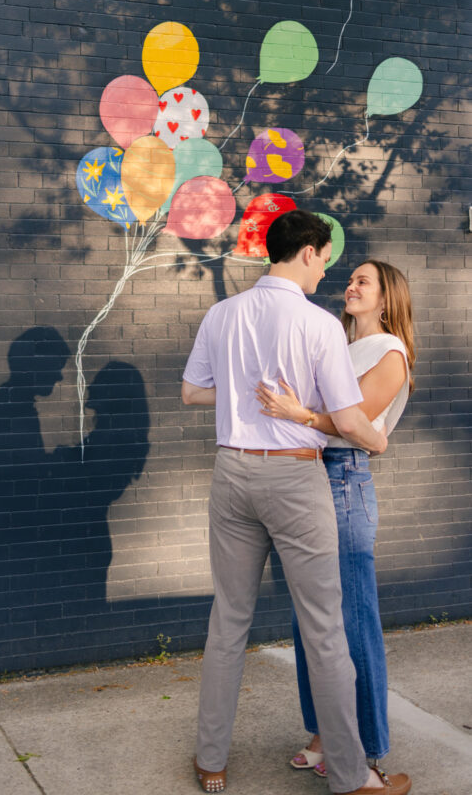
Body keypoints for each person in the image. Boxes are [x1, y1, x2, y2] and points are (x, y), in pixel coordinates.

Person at [181, 210, 411, 795]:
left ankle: (211, 762)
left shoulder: (221, 313)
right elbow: (351, 419)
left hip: (231, 473)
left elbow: (190, 392)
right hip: (293, 478)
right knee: (325, 631)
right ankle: (353, 777)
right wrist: (376, 439)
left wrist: (244, 399)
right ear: (308, 251)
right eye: (326, 259)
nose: (327, 273)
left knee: (228, 621)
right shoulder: (318, 326)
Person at [255, 260, 415, 778]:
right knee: (312, 622)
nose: (351, 285)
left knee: (352, 621)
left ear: (387, 298)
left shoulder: (390, 353)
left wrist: (299, 414)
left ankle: (366, 748)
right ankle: (327, 733)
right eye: (351, 279)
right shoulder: (341, 346)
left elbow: (357, 425)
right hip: (309, 476)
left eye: (363, 281)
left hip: (345, 482)